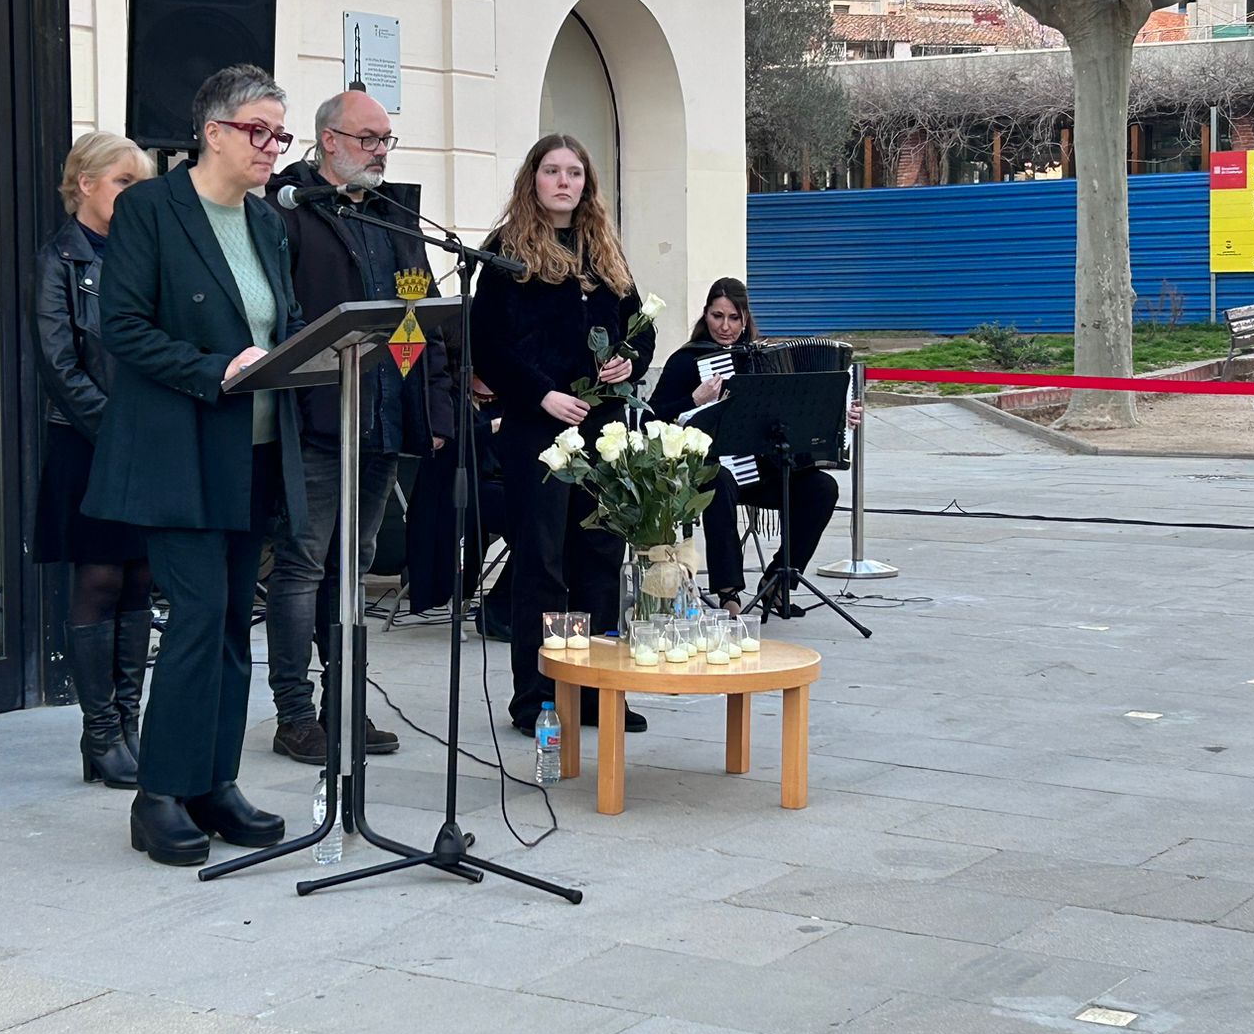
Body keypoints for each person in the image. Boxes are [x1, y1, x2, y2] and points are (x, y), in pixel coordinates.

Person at [83, 66, 308, 867]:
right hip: (179, 450)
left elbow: (282, 323)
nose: (272, 147)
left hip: (254, 451)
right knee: (199, 617)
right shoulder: (151, 209)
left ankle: (215, 782)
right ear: (213, 132)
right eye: (258, 130)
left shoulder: (268, 222)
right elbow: (122, 327)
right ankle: (159, 797)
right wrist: (215, 368)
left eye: (279, 134)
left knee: (232, 625)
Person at [262, 90, 454, 764]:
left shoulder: (394, 217)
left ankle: (342, 703)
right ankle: (294, 714)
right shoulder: (290, 210)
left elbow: (416, 318)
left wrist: (425, 402)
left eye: (385, 140)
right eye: (368, 139)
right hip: (317, 420)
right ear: (329, 141)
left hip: (380, 421)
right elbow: (279, 318)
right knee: (302, 565)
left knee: (355, 564)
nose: (379, 151)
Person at [471, 134, 654, 737]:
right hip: (539, 429)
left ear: (586, 184)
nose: (564, 182)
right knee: (543, 564)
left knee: (599, 558)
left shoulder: (602, 249)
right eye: (552, 171)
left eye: (574, 173)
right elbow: (488, 345)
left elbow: (640, 327)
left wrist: (630, 359)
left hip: (602, 430)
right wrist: (541, 394)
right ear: (534, 179)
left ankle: (596, 691)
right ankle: (540, 695)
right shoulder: (507, 252)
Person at [32, 131, 156, 787]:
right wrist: (118, 430)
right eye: (124, 182)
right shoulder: (59, 258)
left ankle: (127, 729)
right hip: (89, 441)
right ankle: (101, 733)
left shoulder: (144, 253)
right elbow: (59, 364)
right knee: (100, 579)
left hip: (147, 439)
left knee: (140, 578)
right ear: (86, 184)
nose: (136, 195)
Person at [648, 278, 852, 618]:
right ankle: (728, 592)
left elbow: (797, 416)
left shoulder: (765, 359)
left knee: (822, 488)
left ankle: (778, 581)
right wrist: (694, 400)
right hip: (707, 471)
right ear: (705, 315)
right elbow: (651, 418)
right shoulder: (686, 361)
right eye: (717, 316)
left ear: (746, 320)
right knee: (719, 481)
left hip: (763, 471)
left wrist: (839, 415)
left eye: (734, 318)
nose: (725, 327)